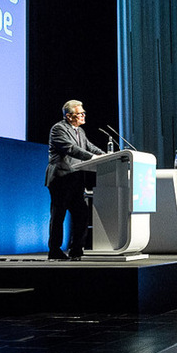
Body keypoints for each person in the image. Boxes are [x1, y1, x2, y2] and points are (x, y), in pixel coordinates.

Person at [45, 100, 106, 260]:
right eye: (80, 113)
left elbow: (88, 146)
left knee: (81, 214)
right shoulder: (58, 129)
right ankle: (54, 250)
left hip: (76, 179)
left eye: (83, 112)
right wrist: (93, 157)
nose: (84, 115)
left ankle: (76, 249)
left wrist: (105, 155)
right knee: (59, 215)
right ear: (69, 116)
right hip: (61, 178)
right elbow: (71, 149)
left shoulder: (80, 131)